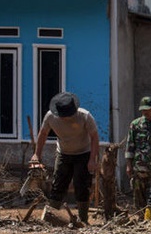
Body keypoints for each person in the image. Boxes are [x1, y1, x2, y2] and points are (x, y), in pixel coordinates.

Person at [31, 91, 100, 224]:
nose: (66, 119)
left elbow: (94, 137)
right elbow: (43, 134)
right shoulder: (50, 117)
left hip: (83, 153)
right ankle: (51, 216)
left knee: (82, 185)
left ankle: (83, 219)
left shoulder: (85, 116)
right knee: (58, 184)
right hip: (63, 153)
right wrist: (37, 154)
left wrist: (92, 159)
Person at [126, 96, 151, 219]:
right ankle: (142, 222)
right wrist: (129, 165)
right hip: (139, 168)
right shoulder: (136, 124)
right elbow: (130, 146)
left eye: (147, 109)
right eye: (143, 110)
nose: (145, 112)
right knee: (139, 197)